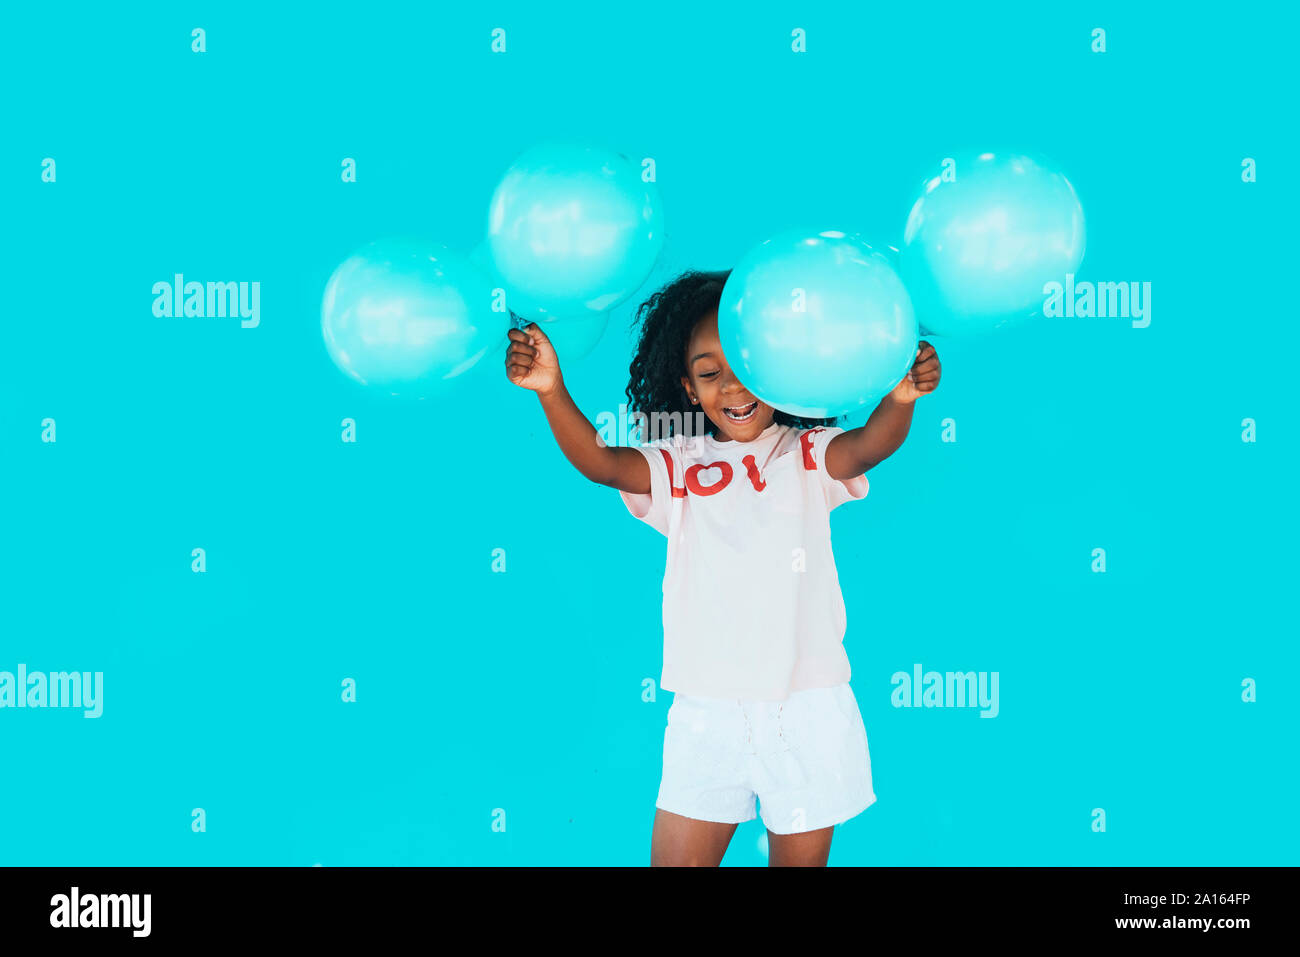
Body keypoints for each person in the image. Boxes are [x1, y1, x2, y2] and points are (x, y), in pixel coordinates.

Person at [505, 270, 941, 866]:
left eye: (746, 364)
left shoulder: (808, 453)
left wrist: (900, 400)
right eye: (710, 373)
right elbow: (603, 464)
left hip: (807, 706)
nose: (732, 387)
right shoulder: (677, 463)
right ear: (689, 388)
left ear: (779, 366)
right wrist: (552, 390)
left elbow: (868, 446)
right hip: (707, 710)